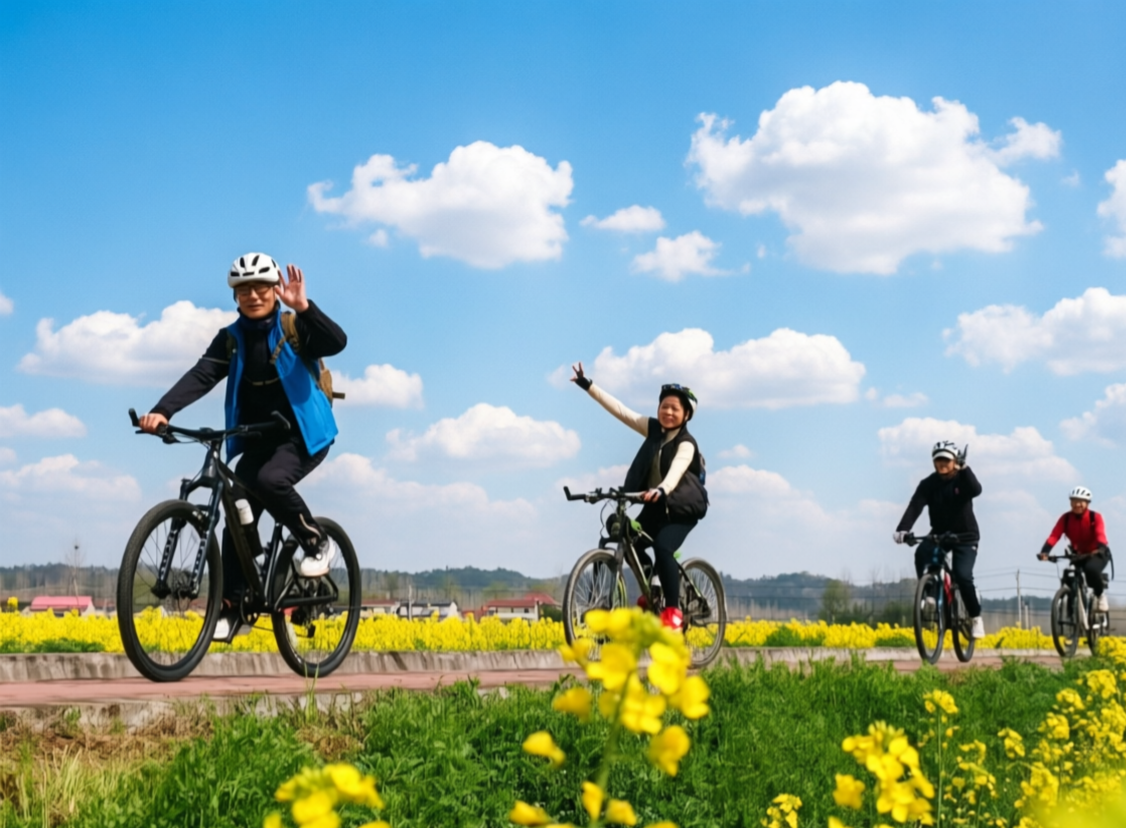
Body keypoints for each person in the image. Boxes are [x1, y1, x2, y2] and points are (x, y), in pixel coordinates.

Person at [139, 253, 347, 640]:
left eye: (261, 288)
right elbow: (202, 374)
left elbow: (337, 343)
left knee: (270, 480)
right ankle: (234, 605)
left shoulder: (292, 325)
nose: (253, 295)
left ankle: (316, 542)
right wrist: (161, 411)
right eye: (243, 289)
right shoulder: (230, 339)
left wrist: (304, 307)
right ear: (235, 297)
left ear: (274, 291)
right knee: (237, 504)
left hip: (302, 435)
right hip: (256, 439)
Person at [570, 362, 708, 631]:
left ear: (687, 415)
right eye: (664, 406)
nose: (667, 412)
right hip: (655, 506)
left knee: (662, 548)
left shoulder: (686, 444)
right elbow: (622, 412)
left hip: (680, 510)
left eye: (675, 408)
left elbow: (677, 470)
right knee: (620, 531)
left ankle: (672, 611)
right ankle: (650, 590)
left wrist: (661, 490)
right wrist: (589, 386)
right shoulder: (653, 429)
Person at [893, 440, 985, 638]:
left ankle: (976, 617)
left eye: (946, 459)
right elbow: (915, 506)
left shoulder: (962, 479)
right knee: (921, 553)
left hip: (966, 537)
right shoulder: (928, 484)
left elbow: (976, 489)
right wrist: (902, 529)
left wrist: (965, 468)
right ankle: (931, 592)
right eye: (938, 460)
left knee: (962, 575)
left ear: (954, 461)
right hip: (940, 534)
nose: (942, 463)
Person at [1038, 486, 1112, 613]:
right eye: (1074, 501)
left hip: (1098, 553)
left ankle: (1100, 595)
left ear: (1087, 503)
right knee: (1068, 575)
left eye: (1081, 501)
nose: (1077, 504)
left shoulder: (1095, 517)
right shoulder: (1066, 518)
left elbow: (1100, 533)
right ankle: (1071, 610)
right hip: (1078, 555)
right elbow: (1054, 535)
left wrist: (1100, 547)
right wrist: (1045, 551)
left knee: (1091, 569)